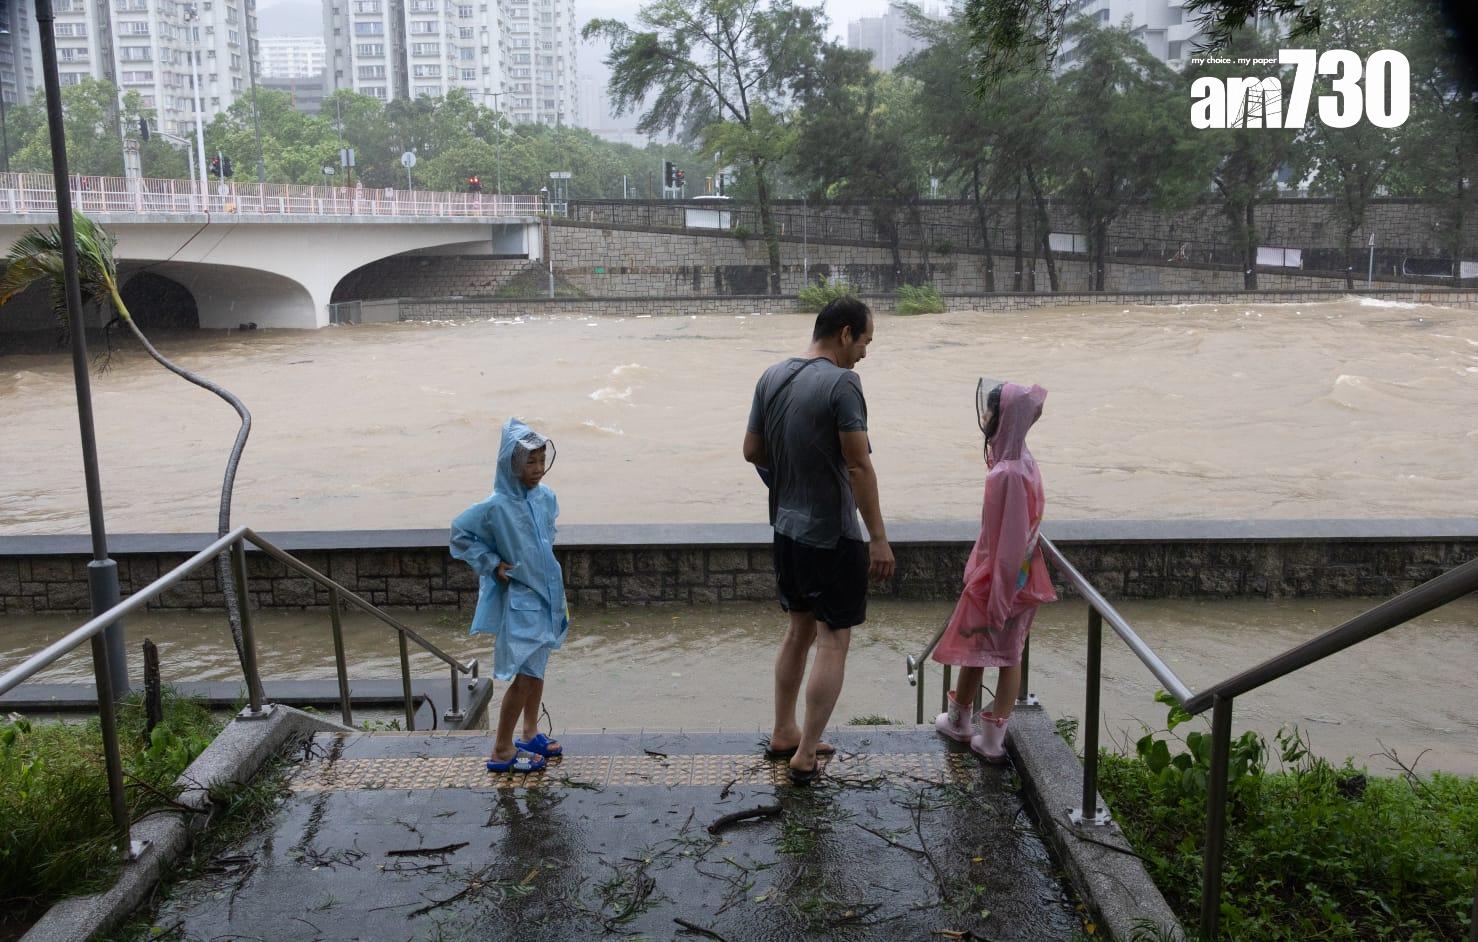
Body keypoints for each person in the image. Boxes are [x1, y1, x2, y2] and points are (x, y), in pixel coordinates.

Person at [742, 296, 895, 786]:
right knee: (834, 639)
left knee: (798, 631)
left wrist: (790, 480)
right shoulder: (843, 384)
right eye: (865, 341)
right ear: (845, 333)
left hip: (786, 530)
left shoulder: (772, 375)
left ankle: (783, 731)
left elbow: (752, 450)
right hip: (833, 536)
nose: (864, 353)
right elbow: (858, 465)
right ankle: (805, 753)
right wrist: (878, 538)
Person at [932, 380, 1057, 762]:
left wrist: (1000, 597)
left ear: (1003, 418)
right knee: (993, 649)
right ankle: (966, 723)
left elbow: (1009, 542)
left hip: (1003, 581)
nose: (985, 416)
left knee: (1001, 653)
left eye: (991, 409)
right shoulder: (1022, 460)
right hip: (1014, 576)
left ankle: (986, 736)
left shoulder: (1007, 473)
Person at [450, 417, 569, 773]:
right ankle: (502, 748)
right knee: (525, 675)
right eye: (530, 461)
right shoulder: (496, 506)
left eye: (541, 460)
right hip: (522, 601)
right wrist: (492, 564)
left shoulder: (545, 498)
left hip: (548, 596)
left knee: (538, 667)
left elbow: (546, 537)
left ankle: (530, 732)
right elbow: (460, 534)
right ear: (511, 463)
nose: (538, 469)